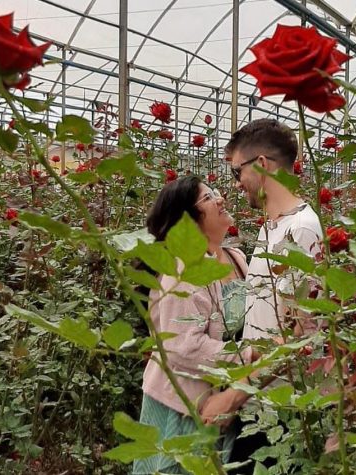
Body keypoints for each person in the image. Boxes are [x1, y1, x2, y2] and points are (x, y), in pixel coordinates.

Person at [200, 118, 323, 473]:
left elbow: (301, 333)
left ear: (263, 165)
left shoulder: (300, 230)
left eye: (238, 172)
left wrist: (234, 395)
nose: (236, 184)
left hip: (278, 411)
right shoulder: (275, 226)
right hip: (259, 402)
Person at [133, 176, 258, 475]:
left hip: (218, 400)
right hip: (183, 403)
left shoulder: (236, 258)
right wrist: (246, 356)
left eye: (215, 193)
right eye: (207, 197)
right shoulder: (183, 267)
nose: (220, 199)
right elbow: (182, 345)